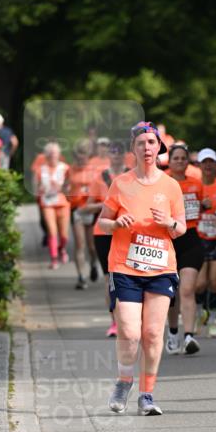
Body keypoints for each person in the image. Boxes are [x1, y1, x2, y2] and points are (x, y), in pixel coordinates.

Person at [98, 121, 186, 416]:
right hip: (125, 267)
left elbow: (181, 228)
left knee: (151, 333)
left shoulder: (171, 185)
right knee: (130, 332)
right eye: (141, 143)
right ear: (133, 150)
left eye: (151, 142)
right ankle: (124, 381)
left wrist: (169, 223)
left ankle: (147, 394)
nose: (147, 148)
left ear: (159, 147)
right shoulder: (120, 183)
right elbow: (102, 222)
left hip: (160, 267)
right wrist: (115, 223)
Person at [164, 142, 205, 355]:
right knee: (171, 293)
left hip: (191, 238)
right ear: (169, 161)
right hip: (168, 240)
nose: (180, 161)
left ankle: (189, 336)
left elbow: (203, 207)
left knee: (187, 289)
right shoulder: (162, 182)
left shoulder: (196, 184)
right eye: (176, 158)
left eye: (183, 158)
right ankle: (172, 332)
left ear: (188, 161)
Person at [83, 141, 127, 337]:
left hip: (127, 232)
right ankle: (114, 323)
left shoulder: (132, 176)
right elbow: (87, 206)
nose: (116, 156)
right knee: (110, 279)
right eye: (113, 153)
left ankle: (130, 320)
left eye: (120, 152)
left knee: (129, 277)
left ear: (125, 155)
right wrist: (106, 204)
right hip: (104, 233)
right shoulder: (101, 178)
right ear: (109, 156)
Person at [195, 148, 216, 338]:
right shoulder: (194, 186)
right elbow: (184, 210)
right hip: (199, 239)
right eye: (204, 162)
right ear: (199, 165)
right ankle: (201, 314)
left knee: (214, 282)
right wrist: (200, 206)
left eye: (211, 162)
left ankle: (213, 322)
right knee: (200, 284)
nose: (208, 165)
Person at [67, 140, 101, 288]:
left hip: (92, 209)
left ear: (89, 156)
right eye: (79, 156)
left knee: (92, 246)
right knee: (79, 244)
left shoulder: (95, 170)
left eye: (84, 156)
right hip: (77, 210)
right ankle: (81, 276)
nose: (81, 159)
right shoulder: (70, 170)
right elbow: (65, 188)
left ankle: (93, 263)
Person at [33, 142, 71, 268]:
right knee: (52, 231)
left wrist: (61, 187)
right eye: (50, 153)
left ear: (59, 154)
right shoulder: (40, 170)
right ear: (46, 155)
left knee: (64, 235)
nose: (52, 156)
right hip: (47, 204)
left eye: (55, 153)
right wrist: (40, 190)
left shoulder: (65, 168)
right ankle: (54, 258)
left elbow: (71, 188)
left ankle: (62, 249)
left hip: (63, 203)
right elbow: (35, 189)